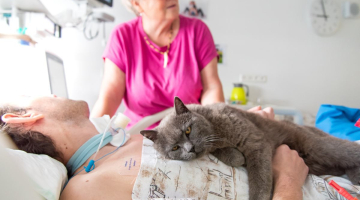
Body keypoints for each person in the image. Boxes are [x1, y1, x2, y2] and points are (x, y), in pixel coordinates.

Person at [0, 95, 308, 199]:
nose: (53, 93)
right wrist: (288, 183)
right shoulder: (85, 190)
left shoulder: (128, 139)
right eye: (39, 95)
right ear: (23, 117)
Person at [91, 0, 225, 129]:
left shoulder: (197, 31)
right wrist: (87, 137)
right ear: (137, 4)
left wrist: (218, 126)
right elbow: (110, 97)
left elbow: (211, 88)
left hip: (189, 135)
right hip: (140, 135)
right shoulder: (122, 36)